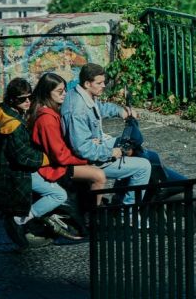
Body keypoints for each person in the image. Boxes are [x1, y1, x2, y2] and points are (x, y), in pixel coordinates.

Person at [0, 77, 78, 240]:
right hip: (19, 174)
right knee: (59, 195)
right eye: (22, 99)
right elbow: (24, 157)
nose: (27, 101)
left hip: (10, 170)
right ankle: (21, 219)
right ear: (12, 99)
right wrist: (49, 158)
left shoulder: (3, 113)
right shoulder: (13, 126)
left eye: (30, 97)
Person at [60, 63, 153, 204]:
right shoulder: (77, 110)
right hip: (90, 159)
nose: (103, 85)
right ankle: (128, 214)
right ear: (87, 83)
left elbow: (99, 108)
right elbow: (83, 149)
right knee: (144, 167)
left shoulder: (82, 93)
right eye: (99, 83)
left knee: (129, 145)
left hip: (96, 145)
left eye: (104, 82)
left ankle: (119, 198)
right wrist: (110, 152)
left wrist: (121, 111)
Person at [28, 72, 108, 209]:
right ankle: (92, 214)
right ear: (47, 92)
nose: (64, 94)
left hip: (58, 161)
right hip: (52, 167)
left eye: (64, 90)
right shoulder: (47, 119)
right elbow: (60, 156)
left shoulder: (52, 111)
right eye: (59, 91)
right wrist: (85, 159)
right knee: (98, 175)